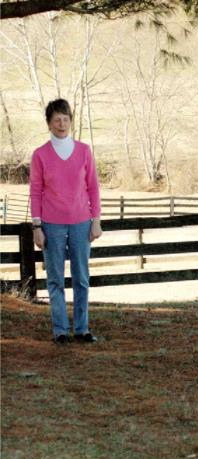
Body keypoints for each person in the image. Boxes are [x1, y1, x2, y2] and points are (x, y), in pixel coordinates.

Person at [30, 98, 102, 344]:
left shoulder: (84, 151)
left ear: (71, 121)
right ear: (49, 123)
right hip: (51, 224)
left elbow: (93, 188)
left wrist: (96, 220)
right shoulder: (40, 155)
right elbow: (35, 191)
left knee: (81, 277)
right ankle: (60, 330)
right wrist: (37, 227)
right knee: (55, 279)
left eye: (65, 119)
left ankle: (82, 329)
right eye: (56, 119)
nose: (61, 124)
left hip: (82, 222)